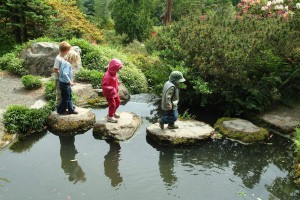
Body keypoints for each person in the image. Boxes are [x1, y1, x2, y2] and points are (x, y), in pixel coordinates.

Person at [57, 50, 79, 115]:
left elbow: (61, 72)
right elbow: (65, 73)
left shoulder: (64, 62)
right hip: (65, 84)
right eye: (75, 60)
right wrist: (70, 81)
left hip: (63, 83)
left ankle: (71, 109)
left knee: (69, 96)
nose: (75, 62)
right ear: (72, 59)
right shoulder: (67, 64)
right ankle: (60, 110)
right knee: (66, 98)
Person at [101, 58, 122, 123]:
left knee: (118, 102)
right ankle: (110, 117)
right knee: (112, 104)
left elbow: (114, 80)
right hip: (109, 93)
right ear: (114, 68)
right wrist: (112, 88)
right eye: (118, 68)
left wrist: (117, 82)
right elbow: (104, 85)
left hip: (114, 92)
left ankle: (113, 113)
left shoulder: (114, 73)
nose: (119, 70)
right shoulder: (107, 76)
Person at [53, 41, 72, 107]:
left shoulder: (64, 56)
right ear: (66, 50)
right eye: (69, 50)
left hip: (64, 79)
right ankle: (59, 107)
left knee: (65, 93)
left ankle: (65, 106)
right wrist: (63, 73)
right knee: (59, 93)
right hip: (58, 78)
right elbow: (55, 69)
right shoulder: (58, 59)